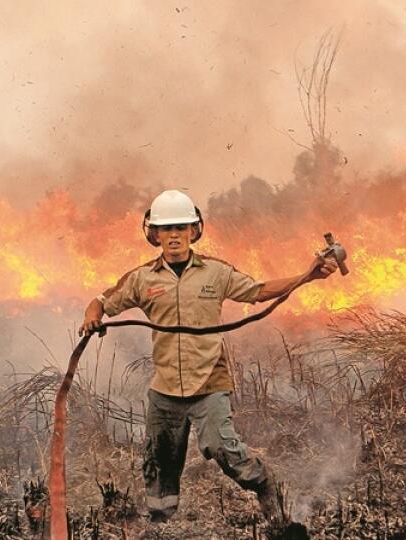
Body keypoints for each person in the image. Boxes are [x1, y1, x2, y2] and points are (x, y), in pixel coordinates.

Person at [81, 189, 339, 524]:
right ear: (154, 234)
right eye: (167, 228)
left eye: (181, 228)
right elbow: (101, 301)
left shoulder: (215, 272)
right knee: (159, 462)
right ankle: (162, 523)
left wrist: (308, 276)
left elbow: (258, 291)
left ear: (194, 230)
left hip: (209, 381)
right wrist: (92, 317)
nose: (174, 235)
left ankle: (265, 486)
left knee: (223, 449)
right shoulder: (142, 278)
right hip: (165, 389)